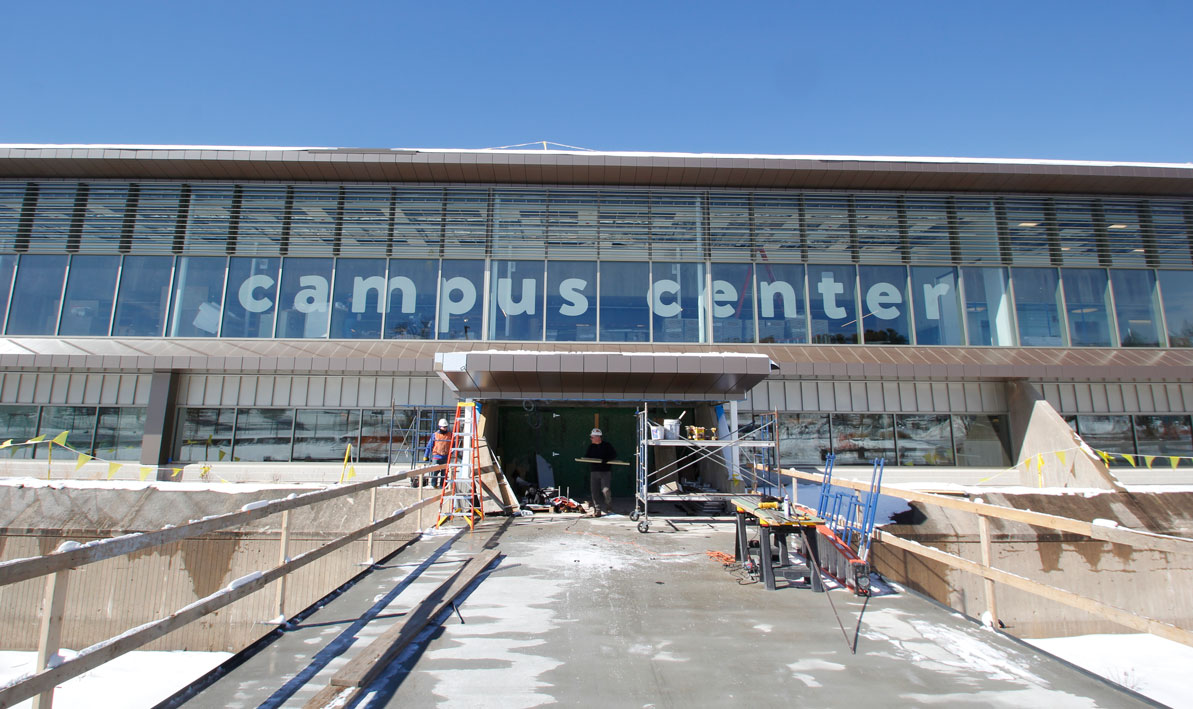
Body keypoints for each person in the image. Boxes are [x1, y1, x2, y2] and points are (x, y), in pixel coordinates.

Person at [585, 428, 617, 518]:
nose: (591, 439)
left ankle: (609, 507)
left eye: (592, 437)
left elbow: (613, 455)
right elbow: (586, 456)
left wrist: (605, 460)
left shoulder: (607, 446)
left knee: (605, 490)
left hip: (605, 471)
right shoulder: (591, 447)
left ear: (598, 437)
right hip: (594, 471)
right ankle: (597, 510)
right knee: (594, 491)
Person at [423, 418, 452, 487]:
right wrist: (426, 455)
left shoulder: (450, 435)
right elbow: (429, 445)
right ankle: (434, 485)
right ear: (439, 427)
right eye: (443, 427)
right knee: (434, 473)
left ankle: (442, 486)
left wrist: (452, 453)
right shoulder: (435, 435)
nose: (445, 428)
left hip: (446, 456)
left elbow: (453, 445)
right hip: (436, 456)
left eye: (446, 427)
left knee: (444, 473)